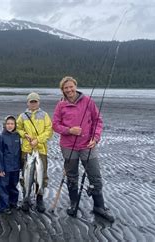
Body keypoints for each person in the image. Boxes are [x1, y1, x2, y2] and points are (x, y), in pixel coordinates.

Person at [52, 76, 115, 222]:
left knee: (95, 175)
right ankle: (74, 204)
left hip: (88, 145)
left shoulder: (87, 101)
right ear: (63, 90)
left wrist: (96, 137)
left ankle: (99, 206)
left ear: (75, 86)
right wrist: (69, 130)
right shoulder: (60, 105)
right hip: (68, 146)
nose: (69, 90)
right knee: (72, 176)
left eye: (71, 87)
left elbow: (97, 120)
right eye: (65, 88)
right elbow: (55, 125)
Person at [16, 92, 53, 213]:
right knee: (26, 175)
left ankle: (39, 197)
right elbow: (18, 128)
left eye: (35, 101)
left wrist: (38, 140)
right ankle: (26, 197)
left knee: (41, 175)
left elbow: (49, 131)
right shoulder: (23, 115)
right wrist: (24, 135)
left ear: (38, 102)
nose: (33, 104)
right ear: (27, 103)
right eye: (31, 102)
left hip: (41, 149)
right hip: (26, 150)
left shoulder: (45, 115)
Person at [0, 115, 21, 215]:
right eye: (8, 124)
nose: (10, 126)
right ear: (5, 125)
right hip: (5, 167)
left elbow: (20, 151)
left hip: (15, 166)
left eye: (12, 124)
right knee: (3, 186)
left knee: (13, 185)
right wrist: (1, 169)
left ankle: (13, 202)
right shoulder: (1, 137)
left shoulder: (17, 136)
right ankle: (3, 206)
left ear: (15, 125)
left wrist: (21, 165)